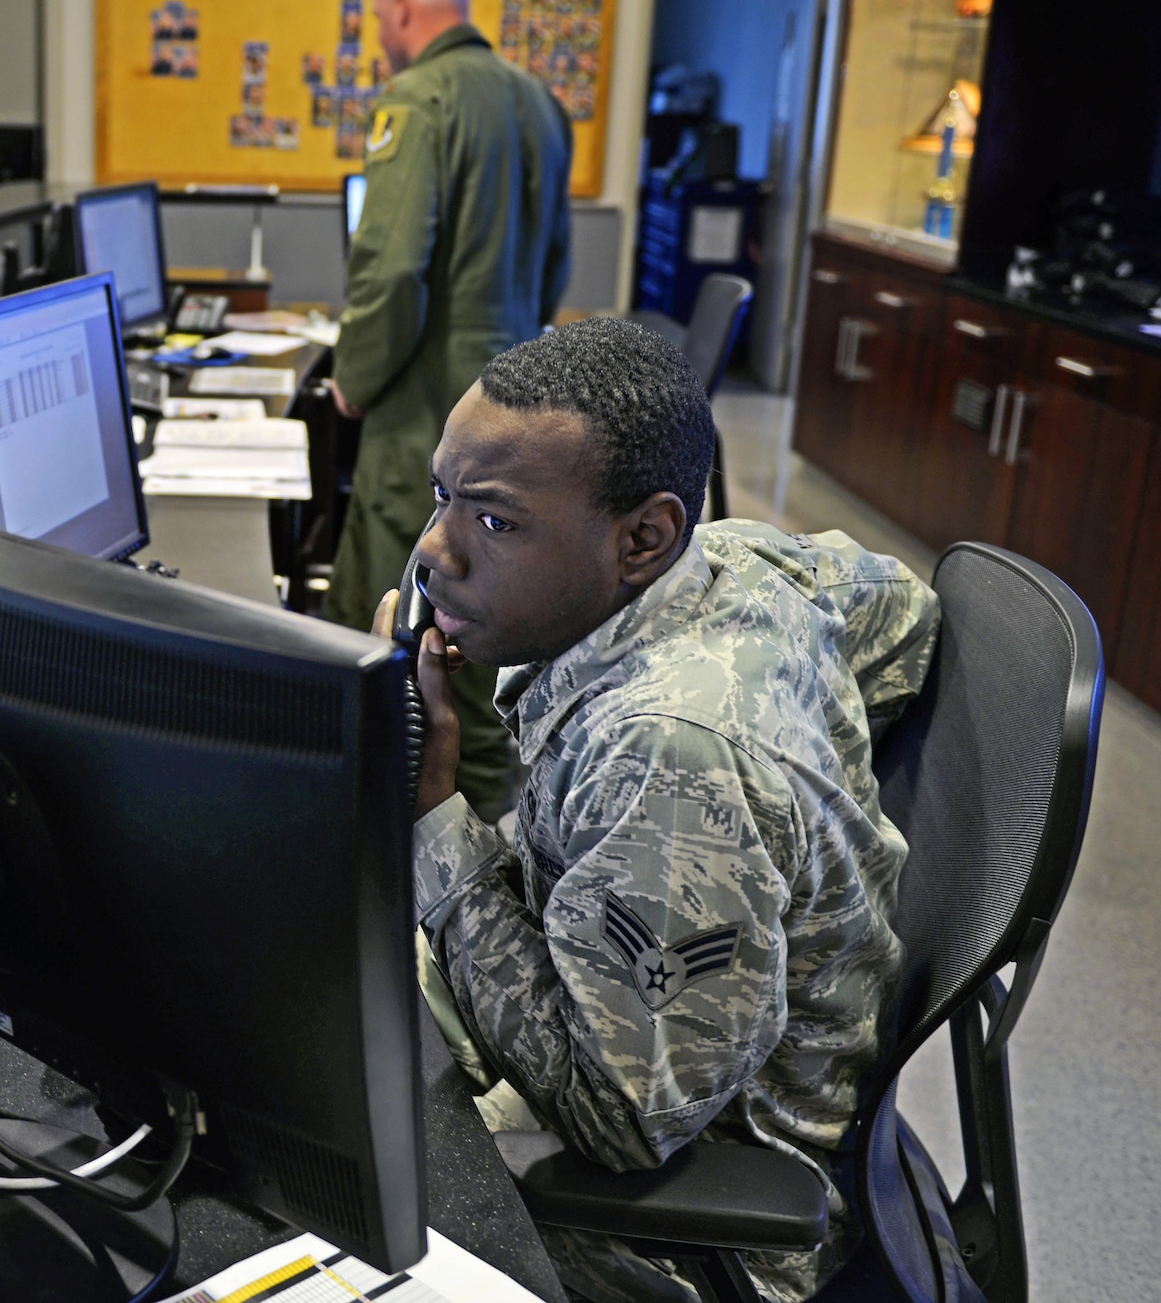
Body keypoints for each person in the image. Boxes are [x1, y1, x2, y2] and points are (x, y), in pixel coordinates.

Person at [375, 319, 940, 1303]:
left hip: (695, 1233)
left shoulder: (670, 750)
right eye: (441, 500)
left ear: (643, 538)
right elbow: (906, 615)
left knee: (299, 1176)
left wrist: (432, 810)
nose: (432, 555)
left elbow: (620, 1125)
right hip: (643, 1022)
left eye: (494, 523)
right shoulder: (733, 561)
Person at [325, 0, 572, 823]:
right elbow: (552, 267)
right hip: (518, 410)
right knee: (487, 626)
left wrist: (350, 379)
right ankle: (501, 833)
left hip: (426, 415)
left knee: (401, 631)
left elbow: (392, 272)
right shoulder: (538, 102)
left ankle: (407, 857)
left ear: (398, 11)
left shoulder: (415, 101)